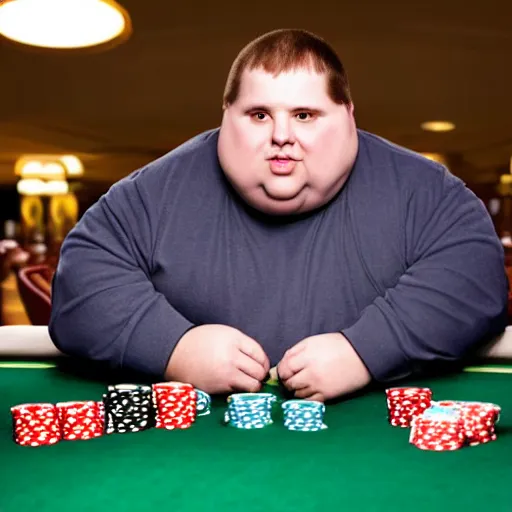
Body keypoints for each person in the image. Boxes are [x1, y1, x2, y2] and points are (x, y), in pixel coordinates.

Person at [49, 29, 508, 402]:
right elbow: (80, 282)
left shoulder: (428, 191)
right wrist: (175, 348)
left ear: (348, 115)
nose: (282, 135)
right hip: (201, 461)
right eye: (259, 114)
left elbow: (475, 276)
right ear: (226, 116)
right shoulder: (153, 191)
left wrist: (364, 352)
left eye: (305, 114)